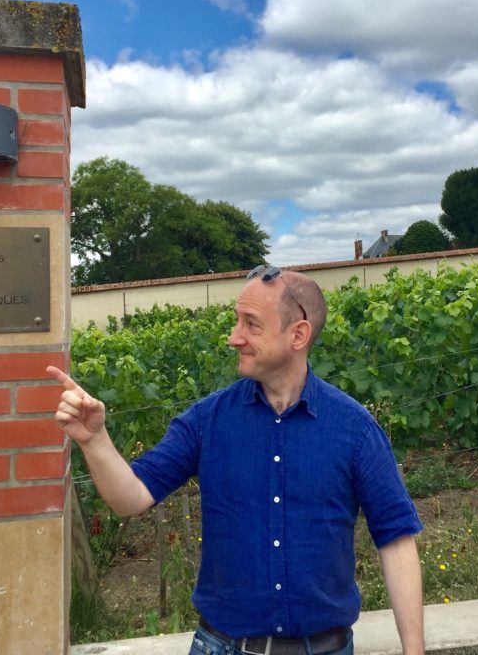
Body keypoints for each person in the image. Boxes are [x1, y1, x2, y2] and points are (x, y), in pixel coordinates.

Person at [48, 266, 425, 655]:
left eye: (251, 324)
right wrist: (95, 440)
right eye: (235, 321)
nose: (233, 337)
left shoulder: (355, 429)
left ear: (298, 334)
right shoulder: (207, 421)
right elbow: (132, 497)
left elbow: (396, 539)